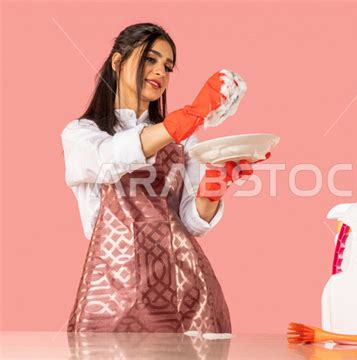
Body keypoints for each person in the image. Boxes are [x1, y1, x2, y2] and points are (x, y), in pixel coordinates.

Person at [61, 22, 265, 333]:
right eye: (150, 59)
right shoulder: (83, 135)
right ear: (117, 62)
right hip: (110, 293)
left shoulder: (184, 142)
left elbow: (192, 222)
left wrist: (214, 186)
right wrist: (182, 120)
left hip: (185, 289)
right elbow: (107, 159)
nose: (160, 72)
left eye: (168, 67)